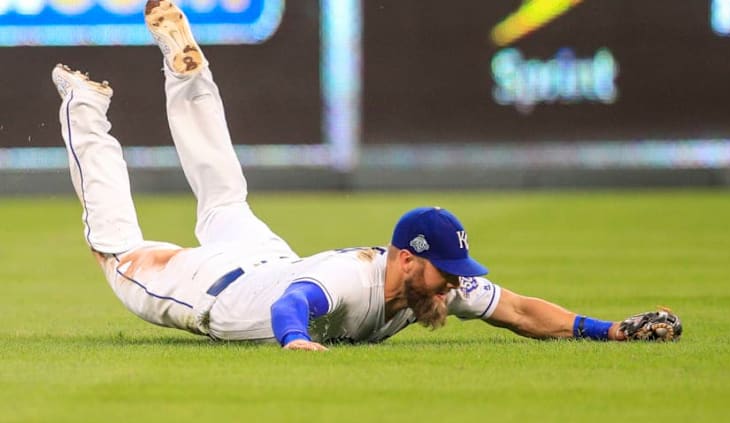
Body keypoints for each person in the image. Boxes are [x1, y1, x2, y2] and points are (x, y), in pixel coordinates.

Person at [51, 0, 681, 351]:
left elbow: (515, 309)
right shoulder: (352, 280)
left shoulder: (429, 285)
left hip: (266, 257)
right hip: (219, 290)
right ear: (407, 259)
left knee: (225, 191)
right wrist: (296, 341)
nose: (453, 287)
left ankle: (186, 69)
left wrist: (611, 329)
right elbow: (297, 302)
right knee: (116, 249)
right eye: (445, 273)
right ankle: (83, 104)